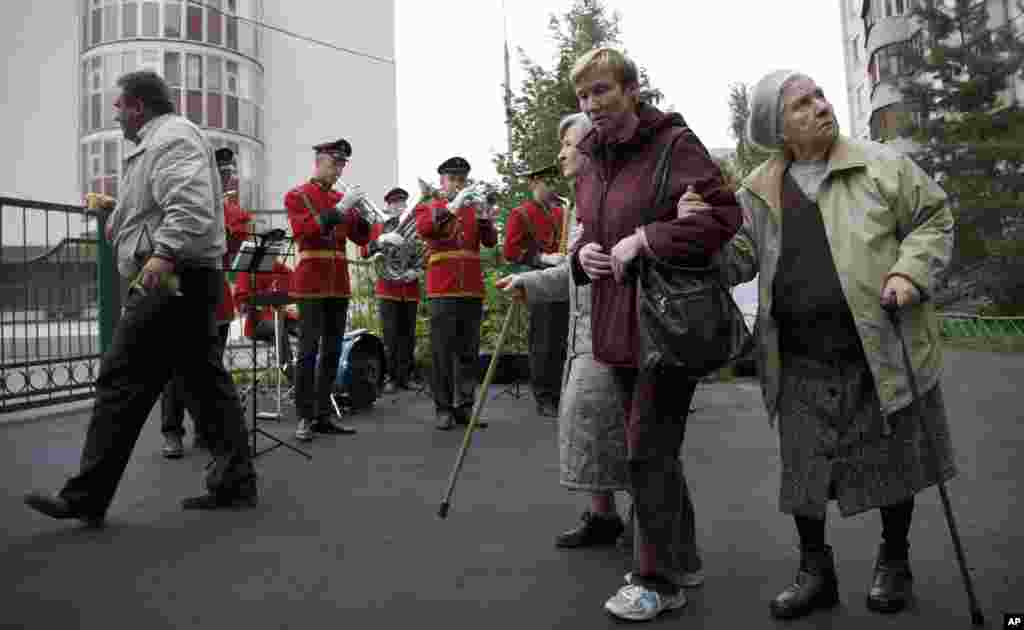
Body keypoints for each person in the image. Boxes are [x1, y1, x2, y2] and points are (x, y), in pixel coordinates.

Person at [703, 70, 957, 620]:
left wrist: (910, 273)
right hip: (798, 355)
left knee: (894, 464)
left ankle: (894, 561)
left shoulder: (880, 166)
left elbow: (934, 217)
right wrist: (702, 238)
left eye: (819, 95)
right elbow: (738, 260)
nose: (820, 106)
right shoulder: (758, 190)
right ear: (779, 127)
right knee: (805, 475)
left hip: (878, 346)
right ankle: (814, 572)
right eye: (802, 103)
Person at [24, 70, 258, 525]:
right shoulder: (163, 140)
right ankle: (236, 480)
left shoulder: (169, 139)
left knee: (121, 377)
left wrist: (164, 253)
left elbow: (188, 205)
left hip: (172, 278)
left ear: (137, 106)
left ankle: (86, 496)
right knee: (203, 384)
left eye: (119, 107)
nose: (115, 115)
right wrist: (117, 211)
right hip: (188, 278)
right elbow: (163, 203)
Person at [568, 48, 742, 621]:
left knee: (646, 451)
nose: (591, 106)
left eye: (601, 91)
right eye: (583, 96)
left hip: (667, 323)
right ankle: (679, 557)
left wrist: (646, 239)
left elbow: (721, 218)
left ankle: (657, 579)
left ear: (632, 89)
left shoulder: (674, 145)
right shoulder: (590, 160)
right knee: (652, 452)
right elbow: (592, 232)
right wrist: (582, 255)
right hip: (614, 321)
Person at [497, 112, 633, 549]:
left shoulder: (620, 197)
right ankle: (603, 516)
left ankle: (655, 532)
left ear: (595, 145)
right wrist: (529, 282)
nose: (560, 154)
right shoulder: (579, 202)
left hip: (618, 333)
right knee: (589, 428)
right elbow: (573, 272)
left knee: (628, 434)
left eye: (568, 144)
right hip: (584, 334)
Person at [159, 147, 252, 458]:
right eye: (221, 171)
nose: (227, 176)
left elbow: (236, 244)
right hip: (183, 289)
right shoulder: (187, 197)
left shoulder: (234, 210)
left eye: (229, 171)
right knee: (175, 368)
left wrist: (220, 221)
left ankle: (204, 430)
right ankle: (172, 432)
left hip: (216, 292)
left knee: (209, 367)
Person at [285, 138, 372, 441]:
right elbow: (305, 232)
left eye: (342, 164)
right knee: (308, 351)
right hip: (311, 281)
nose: (338, 169)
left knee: (333, 351)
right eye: (335, 163)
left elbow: (361, 240)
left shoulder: (340, 196)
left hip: (338, 281)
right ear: (319, 160)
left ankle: (323, 414)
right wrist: (341, 208)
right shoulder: (297, 195)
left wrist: (361, 216)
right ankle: (304, 417)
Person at [414, 157, 498, 431]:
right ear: (443, 182)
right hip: (443, 289)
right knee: (442, 352)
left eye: (462, 180)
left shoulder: (473, 210)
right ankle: (443, 408)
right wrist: (454, 205)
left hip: (471, 289)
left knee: (468, 352)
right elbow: (426, 229)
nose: (459, 184)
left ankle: (464, 407)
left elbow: (489, 242)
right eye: (454, 180)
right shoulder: (431, 206)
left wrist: (485, 216)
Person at [503, 165, 569, 418]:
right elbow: (510, 251)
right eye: (545, 182)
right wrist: (543, 258)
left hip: (562, 280)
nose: (551, 187)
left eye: (553, 181)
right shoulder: (521, 213)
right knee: (543, 341)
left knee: (562, 339)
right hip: (538, 280)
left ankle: (561, 393)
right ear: (533, 183)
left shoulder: (562, 212)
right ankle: (544, 396)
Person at [360, 187, 420, 393]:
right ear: (387, 205)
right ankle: (390, 378)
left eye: (402, 203)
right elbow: (364, 251)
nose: (399, 206)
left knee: (409, 335)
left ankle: (407, 376)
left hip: (410, 287)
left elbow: (422, 252)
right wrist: (381, 240)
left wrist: (418, 271)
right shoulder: (379, 226)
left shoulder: (414, 226)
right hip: (388, 288)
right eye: (395, 203)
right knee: (391, 336)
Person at [233, 258, 299, 381]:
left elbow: (293, 281)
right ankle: (293, 377)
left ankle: (309, 371)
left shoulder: (276, 266)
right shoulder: (247, 270)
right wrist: (252, 302)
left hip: (281, 316)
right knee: (278, 328)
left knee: (305, 328)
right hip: (257, 323)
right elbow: (241, 305)